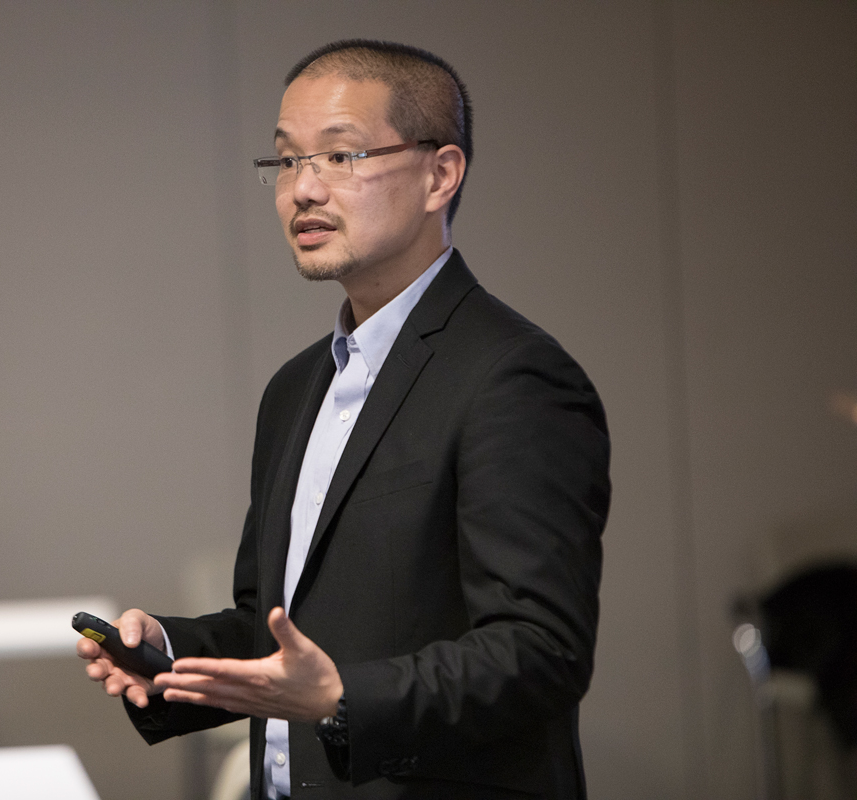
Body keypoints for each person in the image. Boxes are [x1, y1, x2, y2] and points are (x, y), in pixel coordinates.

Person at [78, 39, 611, 800]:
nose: (303, 190)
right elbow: (274, 623)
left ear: (440, 174)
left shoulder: (512, 377)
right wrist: (169, 651)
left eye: (342, 156)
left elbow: (540, 651)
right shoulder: (297, 387)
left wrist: (341, 701)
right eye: (287, 161)